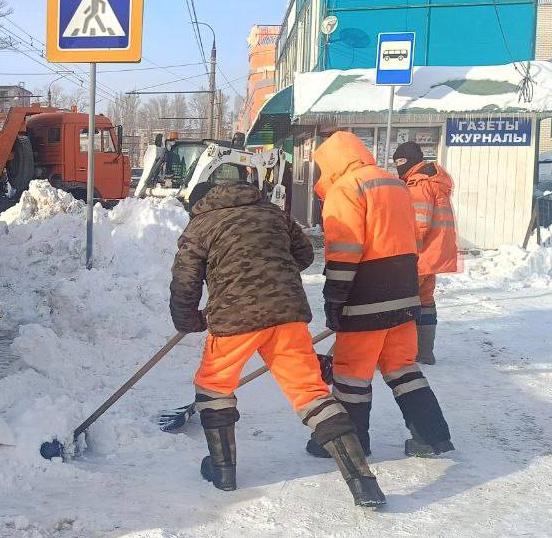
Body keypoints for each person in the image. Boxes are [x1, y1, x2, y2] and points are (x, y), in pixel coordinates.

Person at [171, 180, 385, 507]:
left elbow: (185, 282)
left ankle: (223, 471)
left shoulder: (201, 225)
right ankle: (363, 483)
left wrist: (189, 321)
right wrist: (272, 271)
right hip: (287, 314)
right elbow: (303, 253)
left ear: (199, 203)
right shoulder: (272, 213)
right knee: (310, 392)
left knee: (214, 386)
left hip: (234, 318)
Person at [303, 131, 454, 460]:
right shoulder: (395, 184)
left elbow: (345, 251)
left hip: (367, 296)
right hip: (405, 292)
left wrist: (335, 299)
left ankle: (353, 444)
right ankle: (432, 436)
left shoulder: (347, 188)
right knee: (402, 367)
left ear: (332, 163)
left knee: (350, 373)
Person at [393, 142, 459, 365]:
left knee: (400, 298)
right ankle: (424, 352)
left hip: (421, 253)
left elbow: (418, 224)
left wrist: (403, 253)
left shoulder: (419, 184)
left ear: (412, 159)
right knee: (425, 300)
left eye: (401, 161)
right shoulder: (434, 180)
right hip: (434, 252)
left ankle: (397, 353)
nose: (398, 167)